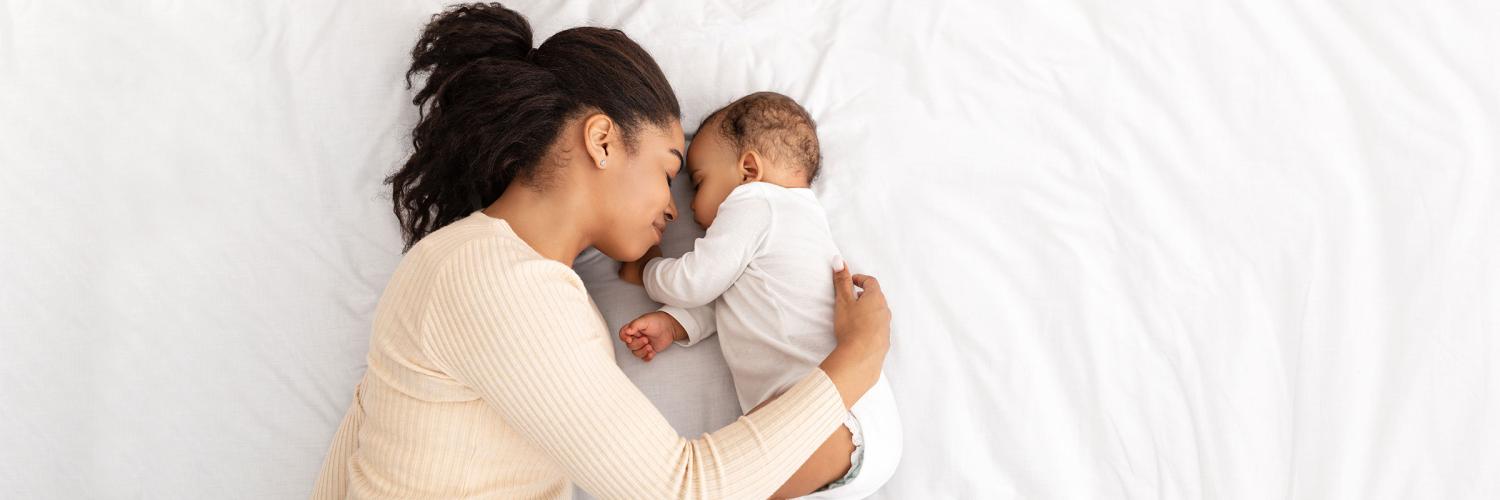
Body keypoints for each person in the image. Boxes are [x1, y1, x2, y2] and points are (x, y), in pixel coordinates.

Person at [311, 4, 891, 499]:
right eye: (669, 171)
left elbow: (356, 449)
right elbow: (682, 487)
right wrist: (857, 360)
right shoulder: (492, 279)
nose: (676, 209)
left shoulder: (474, 267)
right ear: (602, 140)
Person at [617, 92, 900, 499]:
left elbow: (695, 281)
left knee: (722, 483)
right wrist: (675, 323)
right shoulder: (798, 224)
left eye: (698, 183)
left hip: (835, 417)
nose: (692, 206)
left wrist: (649, 266)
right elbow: (736, 299)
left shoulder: (756, 203)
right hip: (852, 419)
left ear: (748, 169)